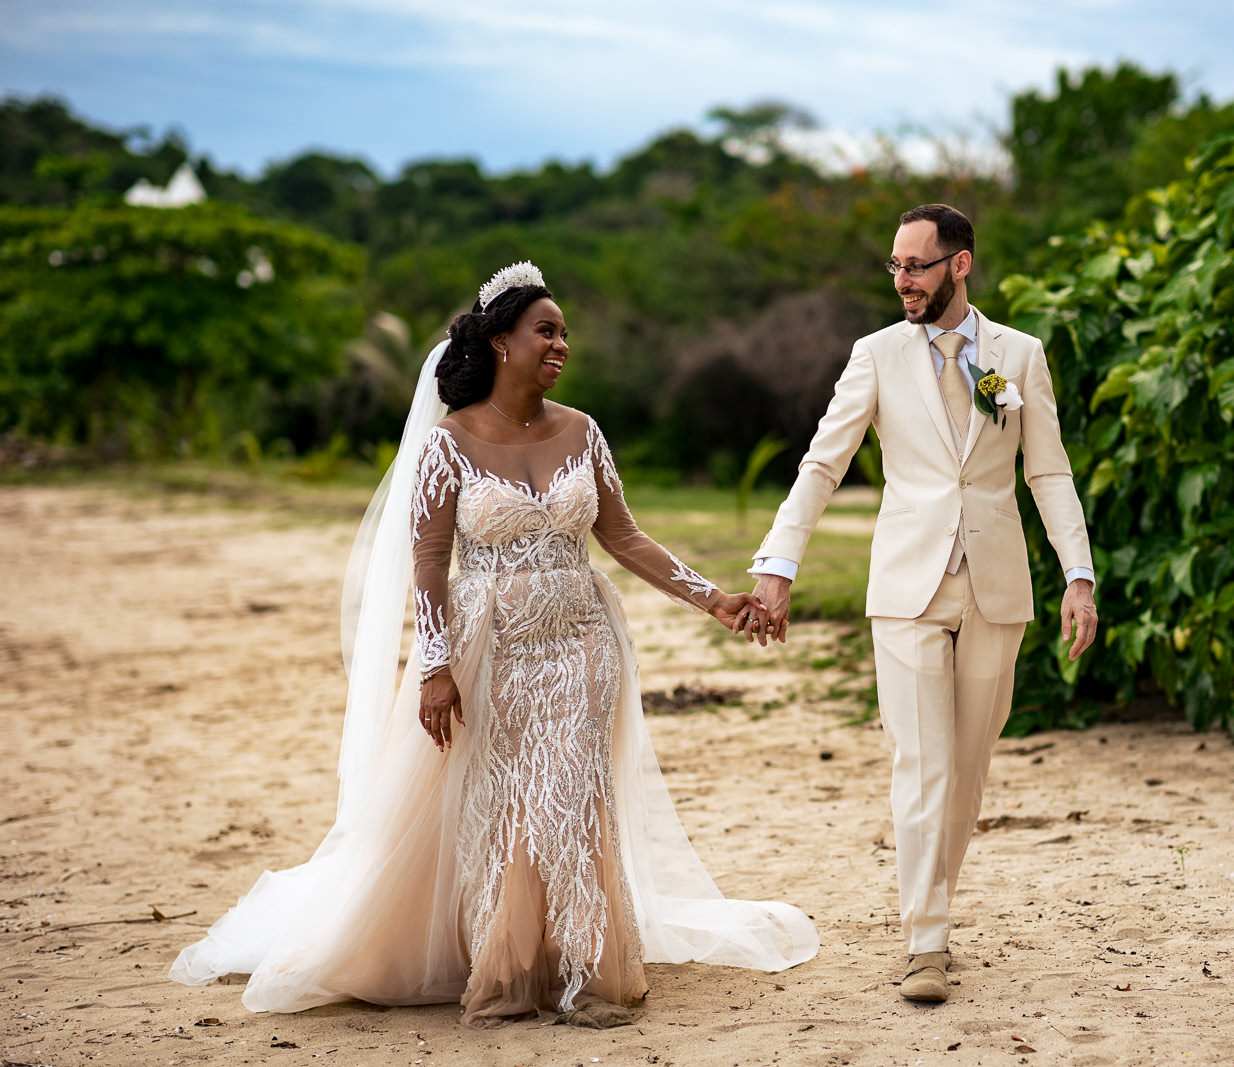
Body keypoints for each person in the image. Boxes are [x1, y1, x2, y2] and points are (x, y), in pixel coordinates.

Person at [172, 262, 818, 1028]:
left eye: (565, 332)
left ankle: (584, 971)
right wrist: (436, 667)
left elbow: (624, 536)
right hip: (492, 647)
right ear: (501, 341)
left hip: (582, 637)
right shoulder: (447, 443)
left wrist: (714, 598)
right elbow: (427, 562)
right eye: (546, 330)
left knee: (574, 789)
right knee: (510, 802)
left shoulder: (582, 430)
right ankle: (511, 963)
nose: (561, 344)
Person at [746, 205, 1096, 1004]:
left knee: (967, 769)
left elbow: (1049, 471)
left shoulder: (1019, 356)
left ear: (959, 265)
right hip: (906, 587)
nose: (901, 281)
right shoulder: (874, 356)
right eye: (894, 267)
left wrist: (1078, 573)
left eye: (916, 266)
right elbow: (822, 464)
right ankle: (926, 938)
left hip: (997, 586)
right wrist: (779, 562)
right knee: (922, 762)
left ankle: (933, 908)